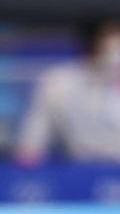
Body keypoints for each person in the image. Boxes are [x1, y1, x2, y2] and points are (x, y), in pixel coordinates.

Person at [16, 18, 120, 164]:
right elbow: (32, 144)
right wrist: (27, 159)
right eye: (111, 50)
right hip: (80, 172)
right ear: (92, 47)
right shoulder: (59, 82)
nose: (116, 58)